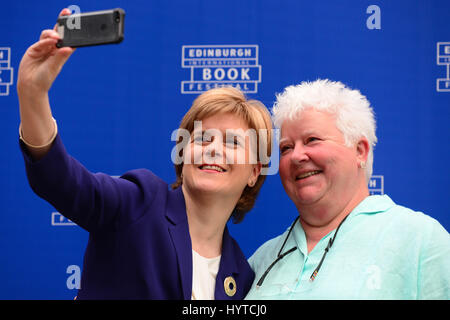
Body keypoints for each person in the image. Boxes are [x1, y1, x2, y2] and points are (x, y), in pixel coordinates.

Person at [17, 9, 272, 300]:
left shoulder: (240, 274)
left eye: (233, 143)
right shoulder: (140, 201)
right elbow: (61, 180)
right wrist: (33, 93)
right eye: (202, 137)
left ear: (254, 172)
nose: (214, 149)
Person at [245, 79, 450, 299]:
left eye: (312, 140)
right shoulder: (261, 260)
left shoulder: (420, 240)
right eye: (286, 147)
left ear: (360, 151)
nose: (296, 156)